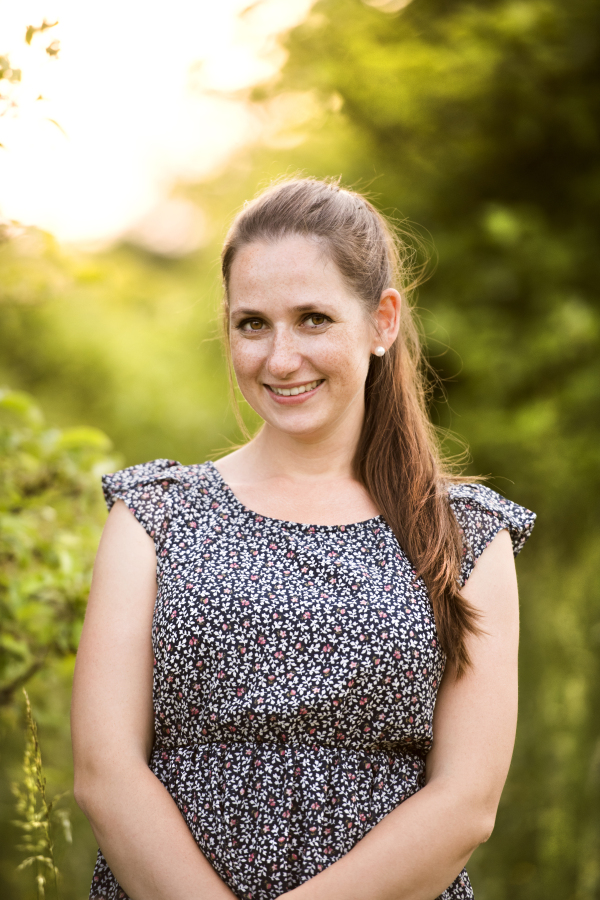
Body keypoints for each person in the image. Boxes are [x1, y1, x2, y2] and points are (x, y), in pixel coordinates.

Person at [71, 177, 536, 900]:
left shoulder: (466, 536)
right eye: (252, 324)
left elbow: (466, 803)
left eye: (313, 319)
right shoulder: (153, 517)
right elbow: (106, 773)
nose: (280, 358)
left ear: (382, 321)